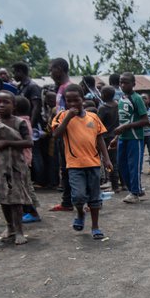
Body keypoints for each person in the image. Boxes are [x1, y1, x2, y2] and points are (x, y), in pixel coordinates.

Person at [51, 85, 112, 239]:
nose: (72, 104)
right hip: (74, 165)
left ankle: (95, 226)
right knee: (78, 197)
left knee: (95, 197)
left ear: (82, 99)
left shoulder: (93, 117)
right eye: (68, 101)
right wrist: (68, 118)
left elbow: (100, 139)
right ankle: (80, 214)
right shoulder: (61, 116)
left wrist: (106, 158)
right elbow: (56, 134)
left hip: (93, 163)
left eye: (76, 100)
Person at [0, 91, 34, 245]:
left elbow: (29, 143)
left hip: (16, 165)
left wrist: (7, 143)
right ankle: (9, 227)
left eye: (6, 102)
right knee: (3, 198)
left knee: (16, 199)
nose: (1, 105)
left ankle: (19, 230)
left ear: (14, 105)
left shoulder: (19, 123)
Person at [110, 72, 149, 203]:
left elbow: (145, 120)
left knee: (134, 165)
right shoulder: (121, 99)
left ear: (133, 84)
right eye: (121, 82)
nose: (122, 85)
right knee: (122, 165)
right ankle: (135, 188)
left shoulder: (137, 98)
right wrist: (116, 138)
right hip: (123, 138)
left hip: (135, 137)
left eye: (126, 82)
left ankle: (135, 193)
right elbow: (122, 121)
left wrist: (126, 127)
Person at [48, 58, 74, 212]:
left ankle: (71, 201)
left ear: (59, 69)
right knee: (64, 168)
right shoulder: (61, 88)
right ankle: (67, 201)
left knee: (69, 168)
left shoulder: (68, 88)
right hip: (61, 133)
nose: (50, 73)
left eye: (51, 69)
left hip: (68, 134)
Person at [13, 95, 41, 224]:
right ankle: (28, 210)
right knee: (24, 186)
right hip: (22, 159)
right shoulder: (24, 120)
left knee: (24, 187)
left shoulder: (20, 122)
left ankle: (32, 212)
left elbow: (26, 142)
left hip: (22, 159)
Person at [97, 84, 121, 193]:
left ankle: (114, 185)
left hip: (107, 138)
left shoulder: (103, 108)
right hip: (117, 135)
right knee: (117, 161)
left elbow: (98, 123)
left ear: (105, 95)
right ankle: (122, 183)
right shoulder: (118, 105)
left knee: (109, 162)